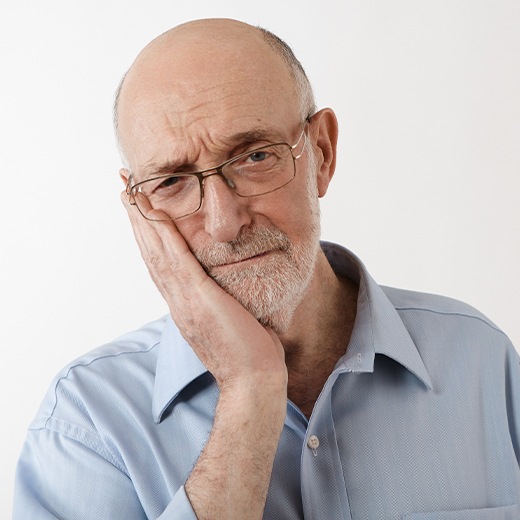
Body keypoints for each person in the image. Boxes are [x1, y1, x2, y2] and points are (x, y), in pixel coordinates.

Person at [13, 18, 520, 520]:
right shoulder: (84, 425)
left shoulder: (481, 361)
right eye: (171, 182)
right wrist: (249, 391)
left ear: (321, 153)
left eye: (255, 156)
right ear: (139, 207)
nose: (224, 222)